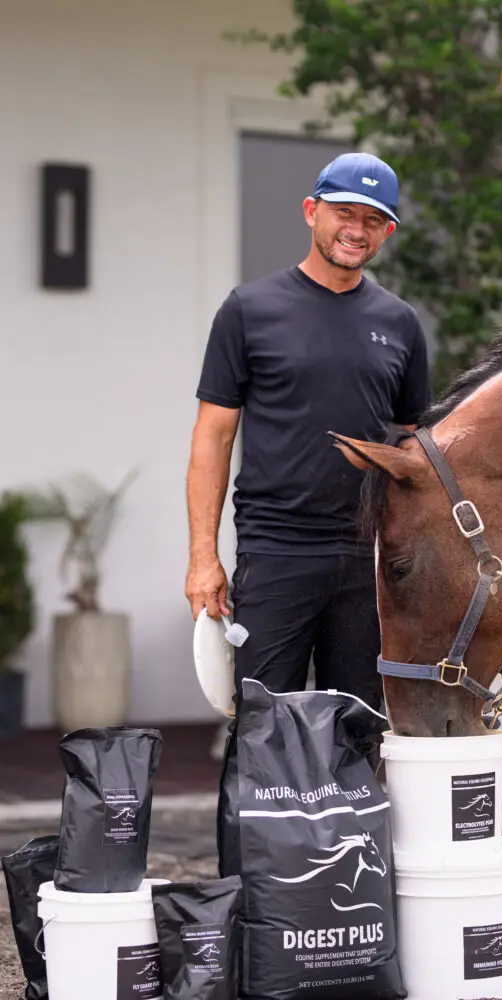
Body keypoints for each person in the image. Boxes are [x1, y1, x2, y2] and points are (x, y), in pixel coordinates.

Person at [185, 152, 432, 715]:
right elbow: (213, 438)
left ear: (387, 232)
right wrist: (203, 557)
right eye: (344, 212)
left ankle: (352, 808)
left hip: (362, 558)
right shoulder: (249, 310)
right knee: (264, 726)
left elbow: (418, 449)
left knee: (357, 729)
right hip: (274, 551)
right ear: (311, 212)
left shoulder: (399, 323)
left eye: (373, 221)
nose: (356, 230)